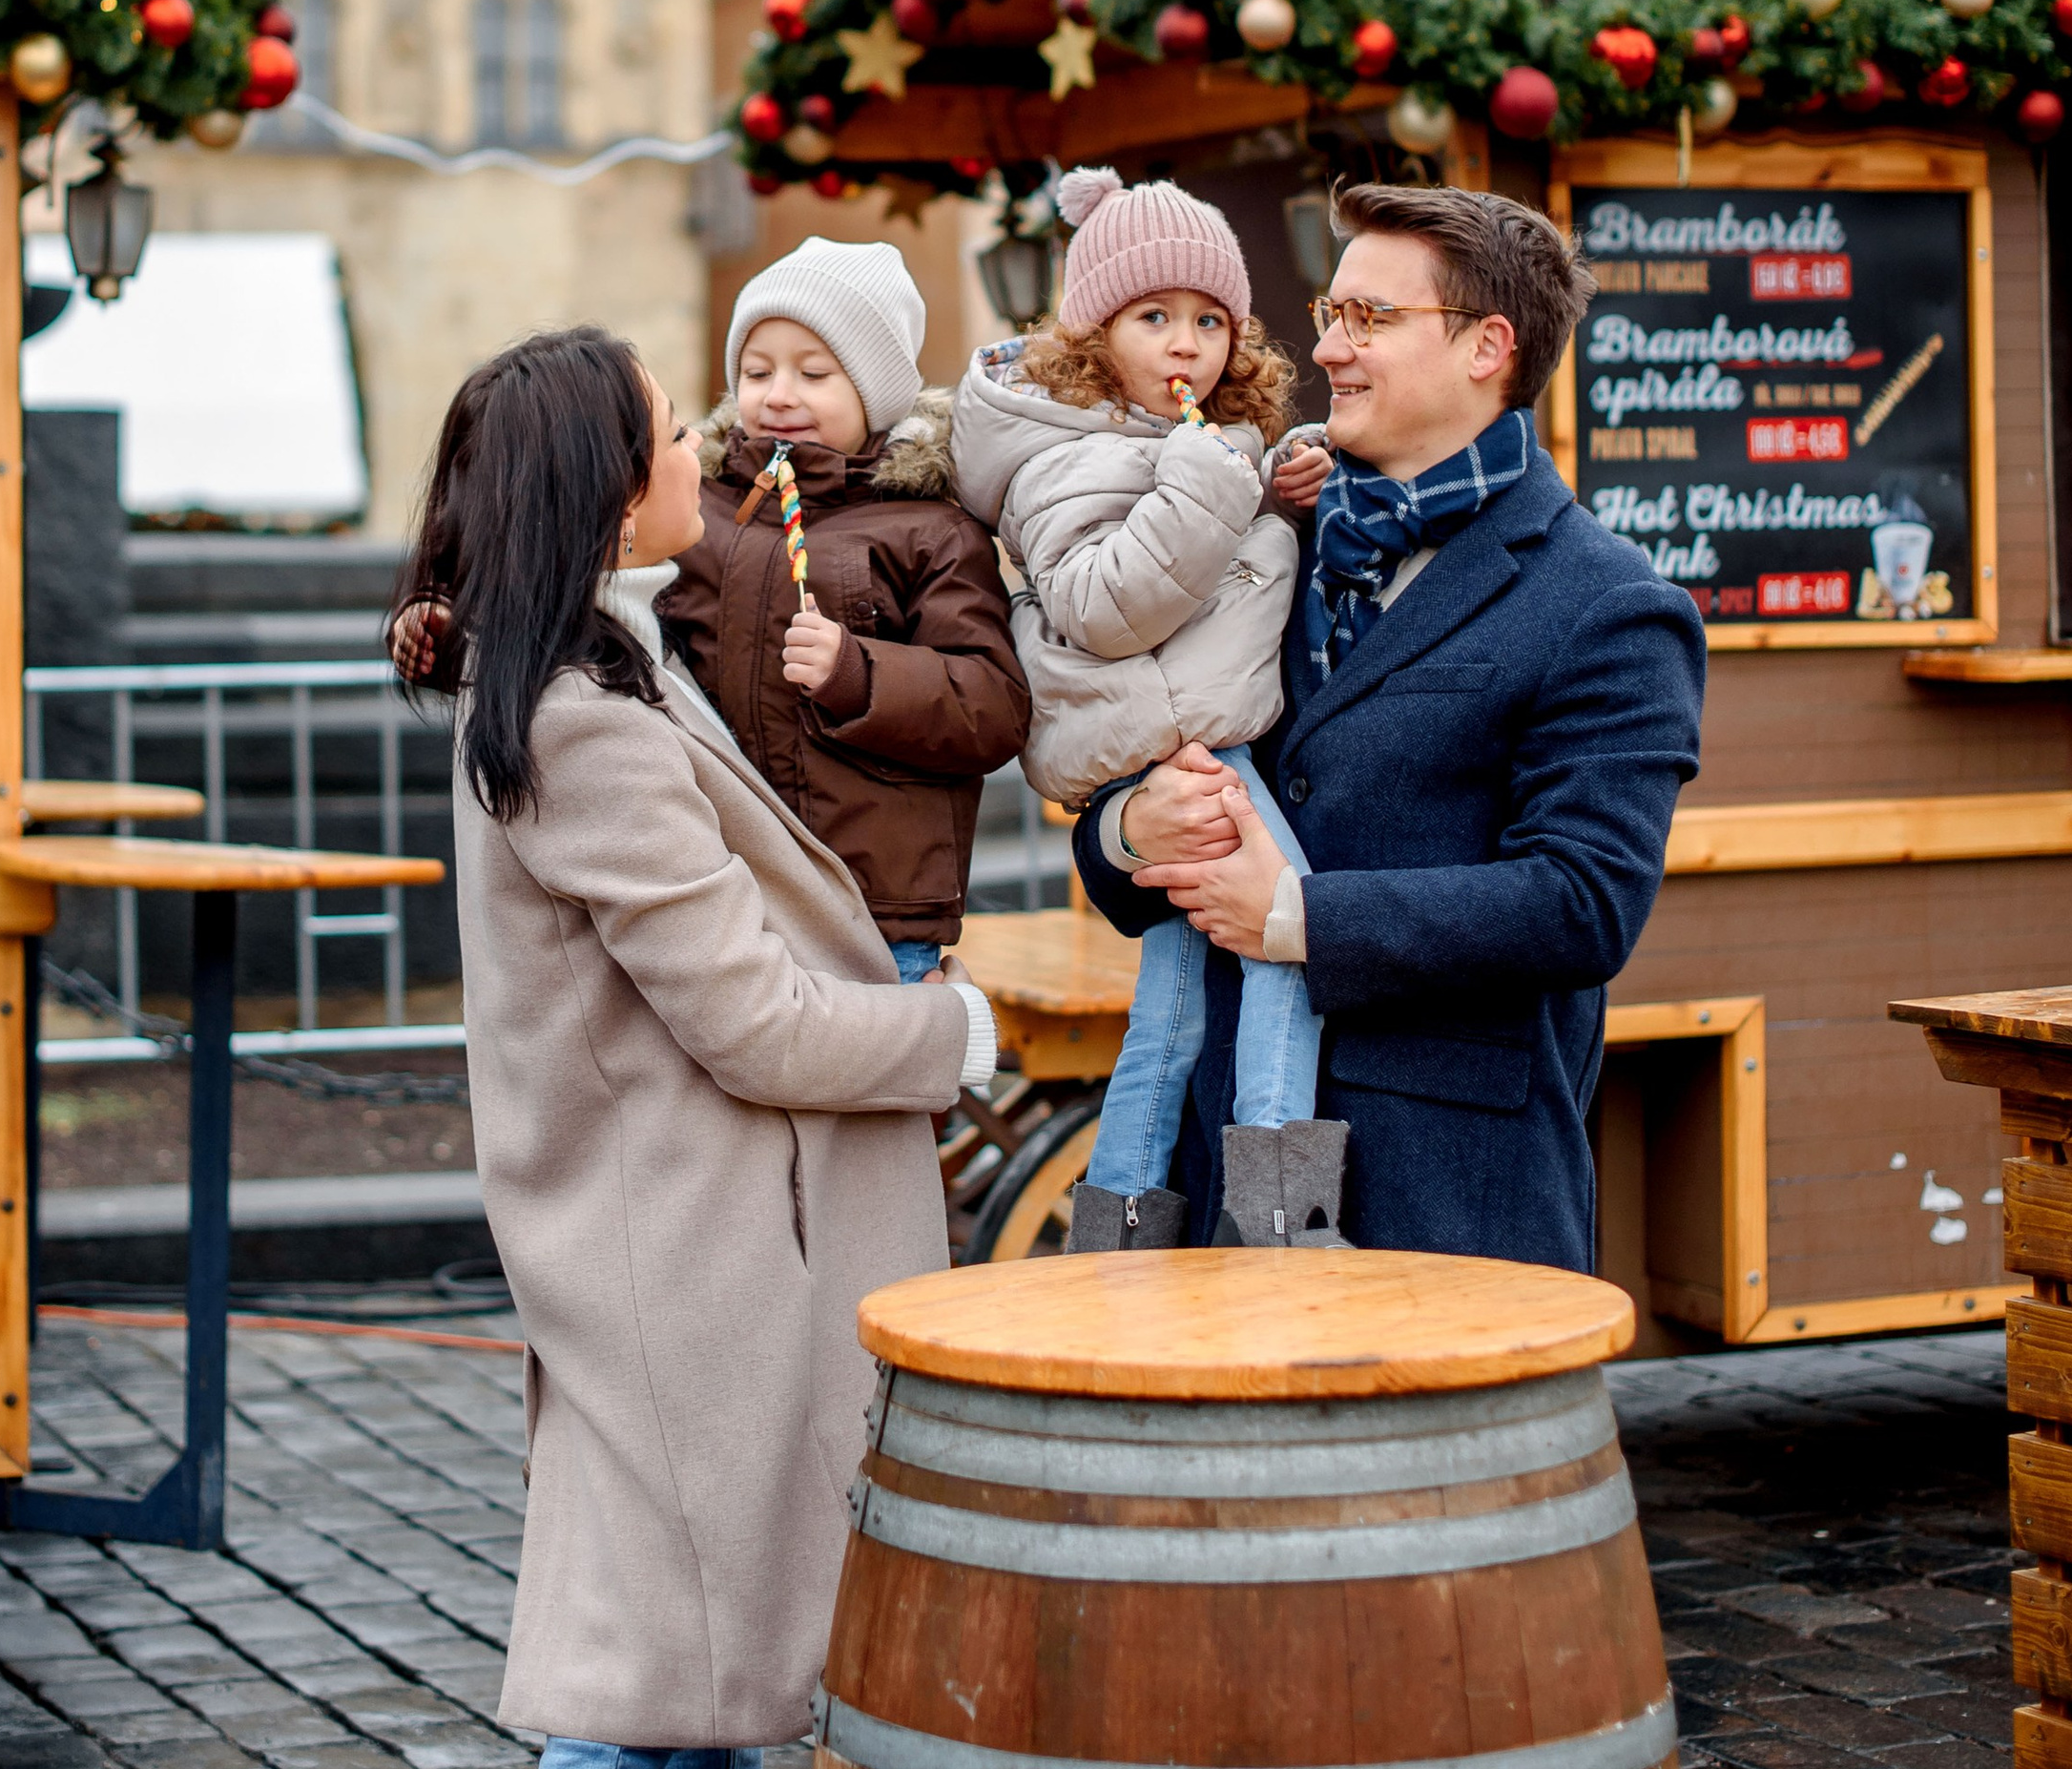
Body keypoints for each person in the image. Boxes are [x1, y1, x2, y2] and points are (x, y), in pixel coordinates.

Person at [408, 326, 998, 1769]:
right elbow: (742, 1016)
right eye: (670, 424)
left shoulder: (593, 656)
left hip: (711, 1260)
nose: (703, 437)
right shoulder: (575, 718)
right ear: (601, 477)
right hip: (683, 1272)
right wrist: (950, 1034)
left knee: (714, 1668)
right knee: (618, 1695)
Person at [1072, 180, 1708, 1269]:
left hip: (1447, 1206)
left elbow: (1582, 904)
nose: (1328, 348)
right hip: (1206, 1185)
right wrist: (1134, 828)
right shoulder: (1257, 544)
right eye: (1331, 312)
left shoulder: (1608, 603)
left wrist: (1299, 918)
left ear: (1486, 347)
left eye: (1370, 318)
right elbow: (1120, 829)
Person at [951, 167, 1336, 1253]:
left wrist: (1259, 491)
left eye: (1209, 320)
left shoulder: (1156, 440)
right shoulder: (1061, 449)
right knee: (1288, 938)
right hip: (1182, 741)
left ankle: (1116, 1222)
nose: (1186, 344)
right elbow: (1102, 603)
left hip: (1170, 733)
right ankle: (1280, 1217)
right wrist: (1223, 487)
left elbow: (1177, 558)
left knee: (1169, 1006)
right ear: (1091, 329)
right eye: (1153, 315)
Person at [662, 236, 1031, 981]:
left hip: (874, 901)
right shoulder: (697, 515)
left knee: (874, 1087)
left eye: (815, 373)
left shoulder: (930, 528)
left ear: (876, 392)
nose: (779, 393)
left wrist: (857, 674)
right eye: (757, 371)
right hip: (723, 884)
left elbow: (992, 705)